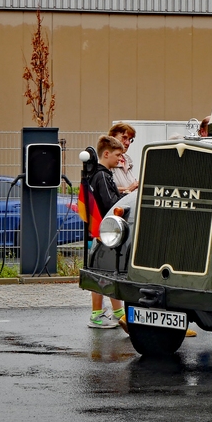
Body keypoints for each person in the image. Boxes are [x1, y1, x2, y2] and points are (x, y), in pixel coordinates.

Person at [88, 135, 126, 329]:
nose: (120, 158)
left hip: (99, 230)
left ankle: (118, 312)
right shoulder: (102, 176)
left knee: (106, 271)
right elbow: (110, 204)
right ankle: (96, 315)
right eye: (118, 155)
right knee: (101, 273)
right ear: (106, 153)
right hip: (104, 231)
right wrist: (125, 202)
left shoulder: (99, 174)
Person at [108, 123, 138, 195]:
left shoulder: (128, 161)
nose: (128, 143)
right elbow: (105, 189)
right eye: (124, 138)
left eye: (130, 139)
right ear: (112, 137)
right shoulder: (106, 160)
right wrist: (129, 189)